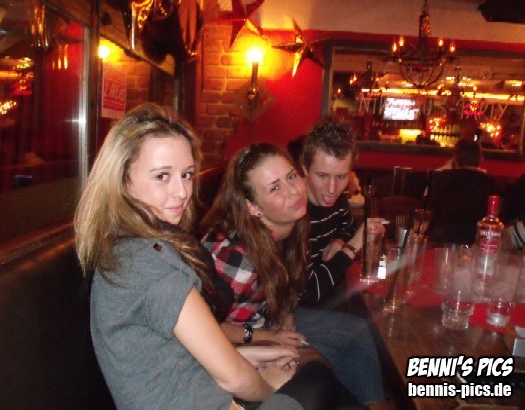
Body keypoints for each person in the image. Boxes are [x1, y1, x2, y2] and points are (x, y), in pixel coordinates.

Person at [73, 103, 338, 410]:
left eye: (186, 175)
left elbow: (170, 356)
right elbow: (234, 379)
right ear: (122, 179)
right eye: (162, 176)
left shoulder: (137, 245)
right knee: (315, 378)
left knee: (311, 363)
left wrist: (246, 355)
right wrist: (269, 386)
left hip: (200, 388)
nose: (182, 192)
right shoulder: (145, 263)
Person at [201, 143, 384, 405]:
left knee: (358, 330)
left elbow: (285, 281)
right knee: (323, 364)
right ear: (252, 207)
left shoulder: (290, 225)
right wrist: (268, 337)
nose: (293, 191)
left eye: (290, 177)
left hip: (267, 318)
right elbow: (205, 329)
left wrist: (285, 310)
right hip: (231, 346)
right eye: (274, 188)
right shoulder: (237, 257)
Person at [298, 117, 365, 308]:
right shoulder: (293, 211)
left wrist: (340, 241)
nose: (332, 189)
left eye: (342, 176)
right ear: (304, 168)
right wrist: (352, 247)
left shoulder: (339, 200)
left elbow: (349, 228)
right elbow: (308, 293)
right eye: (322, 176)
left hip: (332, 294)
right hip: (299, 309)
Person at [426, 138, 501, 245]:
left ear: (455, 159)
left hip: (442, 241)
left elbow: (429, 210)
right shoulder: (492, 183)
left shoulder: (440, 179)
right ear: (480, 160)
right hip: (478, 242)